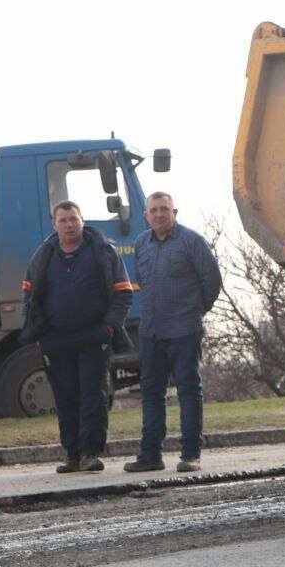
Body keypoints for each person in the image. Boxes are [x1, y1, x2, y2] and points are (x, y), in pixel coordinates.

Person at [20, 201, 134, 473]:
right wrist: (39, 333)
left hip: (94, 337)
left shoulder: (103, 252)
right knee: (65, 397)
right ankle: (72, 455)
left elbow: (123, 292)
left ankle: (90, 454)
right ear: (54, 224)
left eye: (73, 219)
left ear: (83, 221)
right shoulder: (42, 256)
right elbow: (29, 295)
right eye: (63, 220)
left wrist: (109, 327)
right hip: (56, 340)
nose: (69, 225)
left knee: (93, 396)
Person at [124, 192, 222, 474]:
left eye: (164, 209)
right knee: (151, 393)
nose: (159, 214)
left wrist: (195, 310)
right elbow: (142, 282)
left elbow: (212, 280)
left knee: (188, 391)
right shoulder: (141, 243)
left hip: (184, 330)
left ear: (174, 212)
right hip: (151, 331)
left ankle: (190, 455)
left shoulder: (192, 241)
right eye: (153, 210)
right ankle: (150, 455)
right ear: (146, 215)